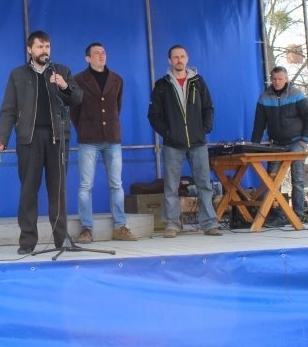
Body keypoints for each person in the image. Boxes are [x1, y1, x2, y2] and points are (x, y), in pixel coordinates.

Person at [0, 30, 83, 254]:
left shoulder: (61, 71)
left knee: (58, 191)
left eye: (47, 47)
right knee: (28, 191)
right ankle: (27, 241)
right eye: (40, 47)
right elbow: (8, 109)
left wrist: (64, 86)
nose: (44, 51)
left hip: (57, 139)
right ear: (29, 50)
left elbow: (78, 99)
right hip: (29, 139)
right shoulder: (18, 75)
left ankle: (61, 239)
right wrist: (1, 139)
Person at [147, 45, 221, 237]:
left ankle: (209, 223)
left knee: (204, 184)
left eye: (182, 56)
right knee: (171, 186)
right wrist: (168, 133)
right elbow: (154, 115)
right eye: (175, 57)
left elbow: (209, 108)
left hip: (198, 142)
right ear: (169, 60)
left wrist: (204, 129)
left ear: (187, 58)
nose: (179, 60)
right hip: (173, 144)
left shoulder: (198, 82)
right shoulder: (162, 85)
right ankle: (172, 224)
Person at [70, 42, 136, 243]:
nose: (101, 55)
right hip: (88, 139)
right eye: (96, 53)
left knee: (116, 184)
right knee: (85, 185)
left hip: (112, 139)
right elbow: (74, 110)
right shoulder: (78, 80)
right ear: (87, 58)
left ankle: (120, 226)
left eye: (103, 52)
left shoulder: (117, 79)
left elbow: (117, 106)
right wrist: (84, 128)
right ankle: (86, 228)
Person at [250, 66, 308, 215]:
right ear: (270, 79)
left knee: (298, 180)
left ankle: (298, 214)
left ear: (286, 79)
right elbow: (259, 125)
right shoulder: (264, 97)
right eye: (274, 79)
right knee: (272, 179)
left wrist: (304, 140)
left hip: (296, 142)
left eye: (280, 79)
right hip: (276, 144)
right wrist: (254, 146)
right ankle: (275, 213)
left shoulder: (297, 94)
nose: (277, 82)